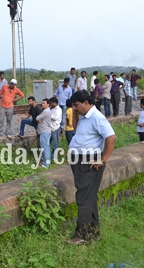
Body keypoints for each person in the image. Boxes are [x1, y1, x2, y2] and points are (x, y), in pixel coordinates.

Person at [66, 90, 116, 245]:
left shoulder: (96, 117)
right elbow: (73, 128)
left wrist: (103, 159)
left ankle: (82, 236)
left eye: (76, 105)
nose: (74, 108)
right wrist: (75, 112)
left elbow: (111, 137)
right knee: (89, 197)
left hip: (89, 161)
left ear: (86, 103)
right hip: (79, 160)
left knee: (83, 198)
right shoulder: (84, 117)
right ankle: (93, 232)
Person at [36, 98, 52, 168]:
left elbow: (37, 118)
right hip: (46, 131)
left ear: (48, 105)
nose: (42, 104)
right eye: (42, 103)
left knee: (45, 147)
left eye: (44, 103)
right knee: (46, 147)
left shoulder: (45, 111)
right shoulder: (47, 111)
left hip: (44, 131)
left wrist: (40, 119)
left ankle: (46, 164)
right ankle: (47, 161)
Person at [49, 97, 62, 161]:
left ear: (55, 103)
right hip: (50, 128)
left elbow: (55, 117)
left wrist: (49, 114)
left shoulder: (58, 109)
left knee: (55, 143)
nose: (50, 104)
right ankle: (50, 155)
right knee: (48, 142)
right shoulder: (51, 109)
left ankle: (54, 156)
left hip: (55, 128)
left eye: (51, 103)